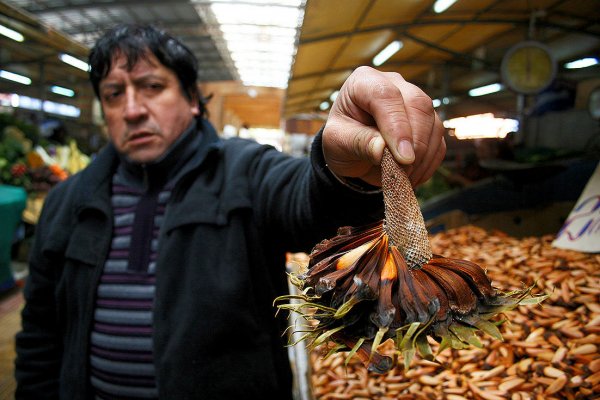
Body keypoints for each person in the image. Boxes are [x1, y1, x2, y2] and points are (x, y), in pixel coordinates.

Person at [14, 24, 445, 399]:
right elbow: (41, 333)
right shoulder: (69, 202)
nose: (132, 109)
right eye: (113, 94)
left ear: (193, 100)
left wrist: (343, 173)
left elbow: (309, 204)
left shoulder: (245, 172)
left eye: (152, 87)